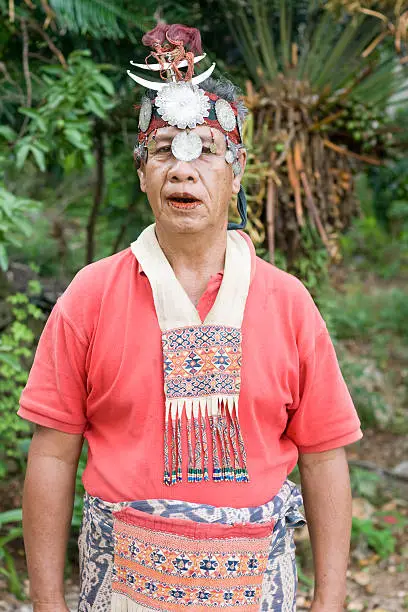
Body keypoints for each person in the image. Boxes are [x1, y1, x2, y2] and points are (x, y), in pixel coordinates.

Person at [19, 24, 362, 612]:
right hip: (121, 591)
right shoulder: (91, 295)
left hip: (256, 590)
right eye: (164, 153)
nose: (183, 171)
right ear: (142, 171)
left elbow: (324, 455)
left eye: (205, 150)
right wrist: (48, 604)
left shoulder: (288, 302)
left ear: (238, 169)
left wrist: (329, 602)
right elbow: (52, 454)